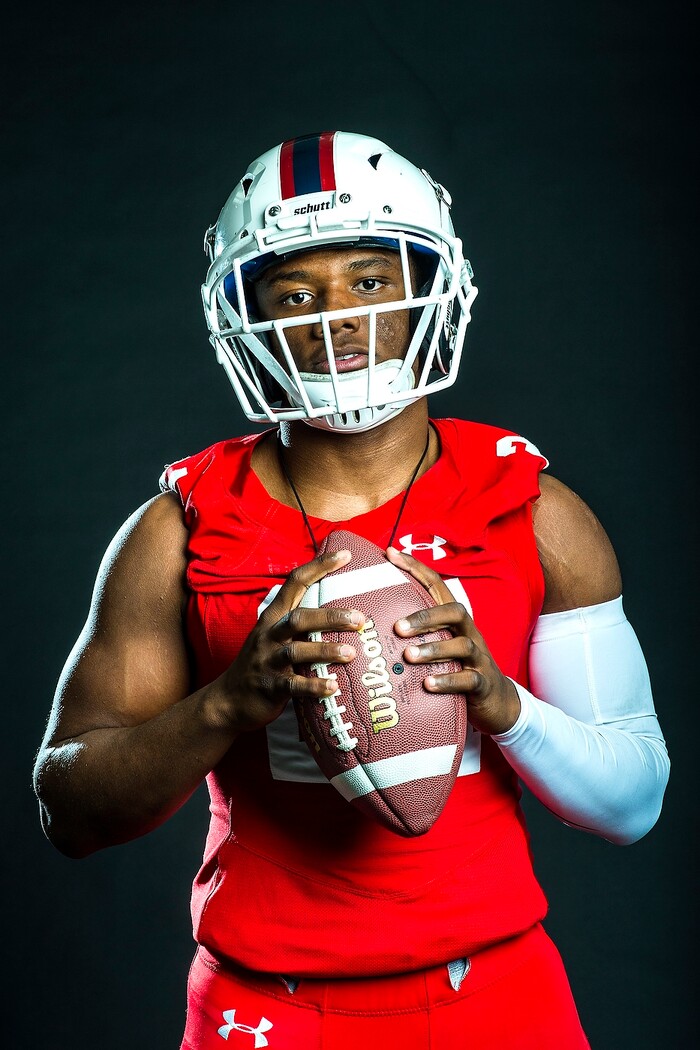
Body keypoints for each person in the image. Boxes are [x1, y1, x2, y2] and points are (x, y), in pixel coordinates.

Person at [33, 131, 670, 1049]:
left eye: (369, 283)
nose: (335, 322)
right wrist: (226, 704)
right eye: (296, 295)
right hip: (268, 1005)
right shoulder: (179, 527)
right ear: (245, 318)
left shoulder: (532, 509)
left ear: (427, 289)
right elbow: (69, 810)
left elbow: (634, 803)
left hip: (494, 992)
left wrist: (501, 703)